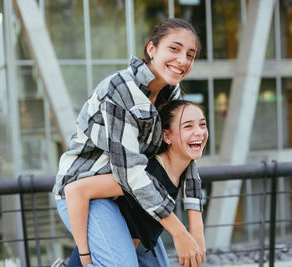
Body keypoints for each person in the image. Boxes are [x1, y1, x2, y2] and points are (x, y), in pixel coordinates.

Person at [52, 18, 205, 266]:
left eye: (190, 54)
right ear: (151, 49)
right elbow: (130, 172)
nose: (182, 61)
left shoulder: (170, 92)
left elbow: (183, 153)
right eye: (174, 49)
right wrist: (179, 232)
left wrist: (195, 226)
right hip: (89, 192)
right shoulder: (120, 88)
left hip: (130, 194)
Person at [65, 100, 208, 267]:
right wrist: (85, 255)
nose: (199, 132)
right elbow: (76, 189)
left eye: (202, 124)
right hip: (99, 259)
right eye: (188, 127)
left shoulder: (182, 173)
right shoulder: (145, 173)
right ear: (167, 136)